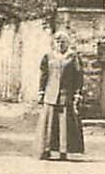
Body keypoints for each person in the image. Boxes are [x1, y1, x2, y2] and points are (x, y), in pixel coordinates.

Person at [36, 32, 85, 160]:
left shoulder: (73, 57)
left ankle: (64, 151)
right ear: (54, 43)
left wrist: (77, 94)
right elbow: (44, 75)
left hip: (65, 95)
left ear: (67, 43)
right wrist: (41, 92)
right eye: (57, 42)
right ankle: (46, 150)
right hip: (50, 94)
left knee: (64, 125)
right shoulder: (48, 56)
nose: (60, 44)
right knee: (49, 124)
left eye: (63, 42)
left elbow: (78, 77)